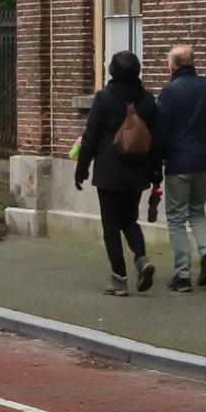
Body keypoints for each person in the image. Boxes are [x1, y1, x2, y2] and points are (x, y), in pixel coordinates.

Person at [75, 51, 162, 295]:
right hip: (138, 172)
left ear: (112, 71)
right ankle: (142, 259)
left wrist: (81, 169)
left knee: (111, 226)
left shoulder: (103, 98)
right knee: (129, 220)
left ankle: (119, 278)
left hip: (109, 172)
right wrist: (156, 172)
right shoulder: (147, 100)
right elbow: (156, 139)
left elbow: (90, 137)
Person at [154, 44, 206, 291]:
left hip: (179, 165)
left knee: (176, 219)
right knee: (197, 211)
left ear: (172, 66)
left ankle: (183, 276)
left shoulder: (169, 92)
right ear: (193, 62)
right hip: (205, 163)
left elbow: (160, 131)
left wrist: (162, 157)